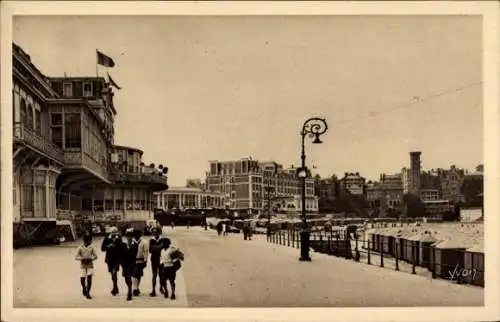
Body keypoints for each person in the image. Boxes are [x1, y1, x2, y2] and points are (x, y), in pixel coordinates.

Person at [75, 232, 98, 299]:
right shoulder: (80, 248)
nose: (90, 241)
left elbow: (96, 256)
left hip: (90, 265)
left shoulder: (92, 248)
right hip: (83, 265)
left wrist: (91, 258)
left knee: (89, 279)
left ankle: (88, 293)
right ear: (85, 240)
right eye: (89, 240)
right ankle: (84, 288)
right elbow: (76, 257)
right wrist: (82, 259)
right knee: (82, 279)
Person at [101, 226, 123, 296]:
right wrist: (109, 246)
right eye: (113, 233)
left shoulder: (119, 238)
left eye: (115, 233)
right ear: (110, 232)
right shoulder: (106, 239)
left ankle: (115, 287)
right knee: (112, 274)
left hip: (116, 258)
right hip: (109, 259)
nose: (114, 234)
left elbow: (121, 248)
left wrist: (116, 246)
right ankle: (115, 287)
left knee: (114, 272)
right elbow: (102, 249)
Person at [121, 228, 138, 301]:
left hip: (131, 263)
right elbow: (121, 254)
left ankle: (129, 292)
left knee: (128, 277)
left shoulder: (135, 245)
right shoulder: (123, 245)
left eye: (130, 236)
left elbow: (134, 254)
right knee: (126, 278)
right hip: (124, 263)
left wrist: (129, 248)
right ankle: (129, 289)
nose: (129, 238)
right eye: (128, 236)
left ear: (132, 237)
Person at [132, 229, 149, 296]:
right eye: (135, 234)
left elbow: (146, 252)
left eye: (138, 234)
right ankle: (135, 289)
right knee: (134, 274)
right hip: (133, 260)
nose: (136, 236)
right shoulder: (132, 241)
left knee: (138, 275)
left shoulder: (144, 242)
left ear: (140, 234)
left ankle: (136, 288)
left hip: (140, 260)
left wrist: (145, 261)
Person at [148, 227, 164, 297]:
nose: (155, 233)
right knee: (154, 275)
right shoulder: (152, 240)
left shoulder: (162, 240)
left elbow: (162, 249)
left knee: (161, 275)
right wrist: (159, 247)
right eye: (154, 232)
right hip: (154, 259)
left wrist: (155, 248)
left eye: (156, 232)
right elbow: (150, 250)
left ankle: (161, 288)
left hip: (161, 259)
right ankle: (153, 290)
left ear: (159, 232)